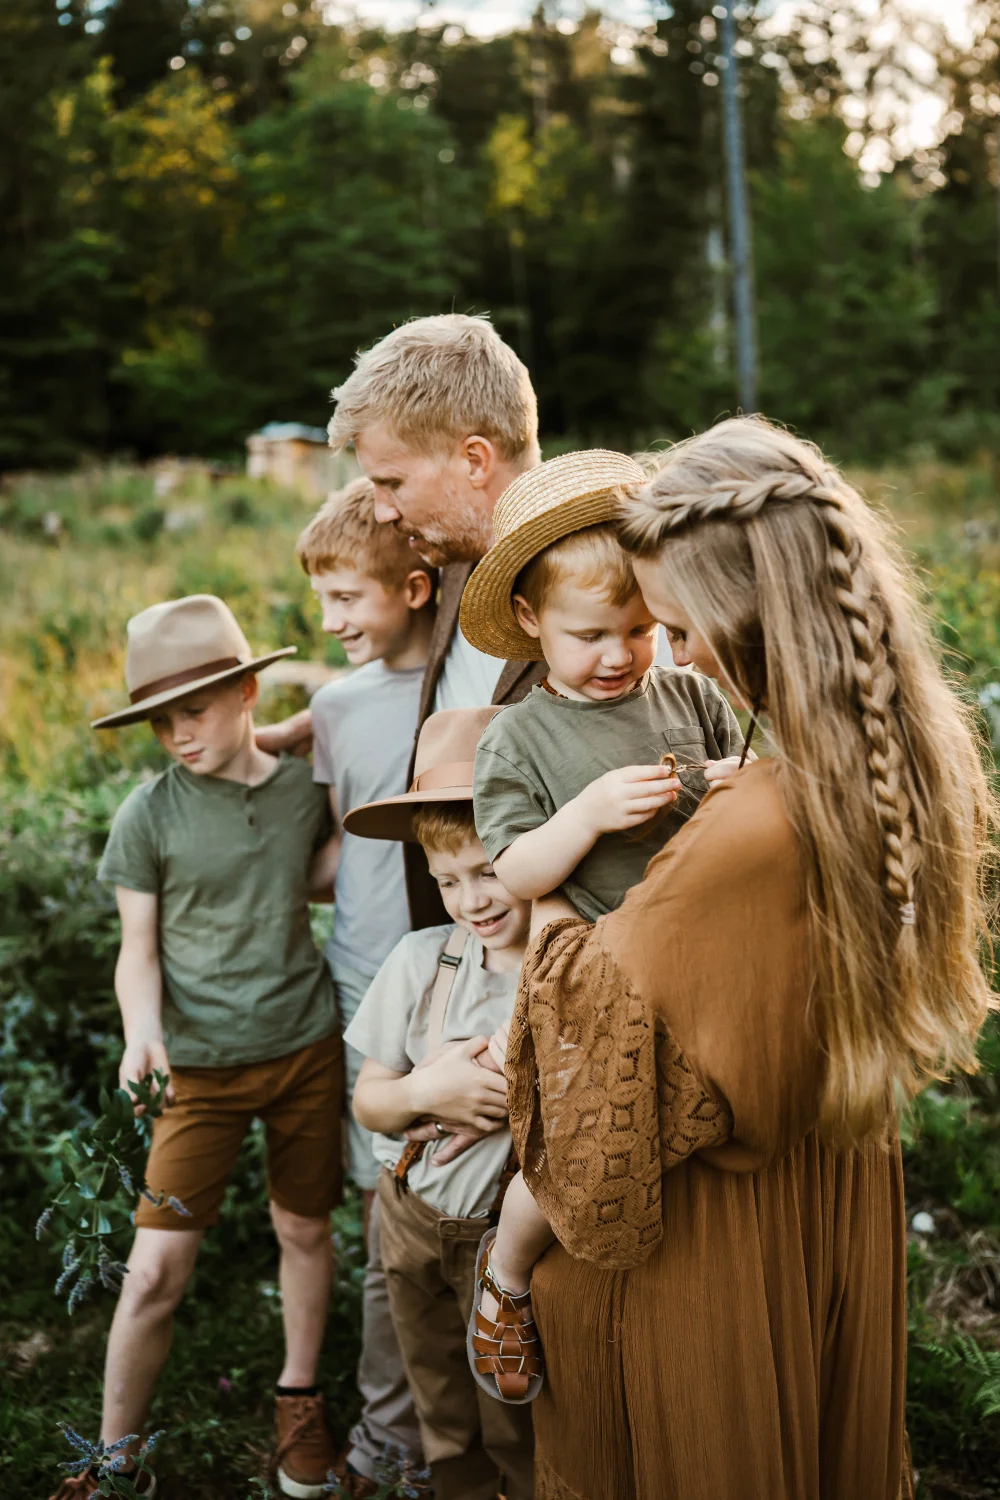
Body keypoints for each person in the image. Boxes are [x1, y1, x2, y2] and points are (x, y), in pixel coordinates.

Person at [498, 416, 996, 1499]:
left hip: (707, 1260)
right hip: (826, 1204)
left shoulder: (751, 828)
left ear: (747, 617)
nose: (672, 659)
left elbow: (590, 1048)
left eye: (678, 629)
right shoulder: (897, 758)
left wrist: (544, 930)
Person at [454, 448, 745, 1401]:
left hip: (698, 952)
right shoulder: (520, 738)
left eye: (639, 629)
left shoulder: (688, 695)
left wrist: (735, 792)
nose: (619, 655)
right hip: (594, 975)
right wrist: (584, 816)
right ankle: (505, 1274)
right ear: (531, 624)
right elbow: (515, 866)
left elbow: (728, 798)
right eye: (591, 635)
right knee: (580, 1136)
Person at [53, 595, 344, 1500]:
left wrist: (304, 725)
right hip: (200, 1072)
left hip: (305, 1049)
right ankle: (114, 1458)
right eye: (160, 722)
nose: (177, 736)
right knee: (151, 1275)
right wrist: (143, 1032)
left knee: (302, 1228)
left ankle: (298, 1399)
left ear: (247, 689)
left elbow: (344, 856)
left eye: (195, 711)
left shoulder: (307, 790)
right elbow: (135, 953)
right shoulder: (149, 815)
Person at [258, 313, 548, 929]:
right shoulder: (449, 559)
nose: (382, 511)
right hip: (456, 948)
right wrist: (304, 725)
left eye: (391, 482)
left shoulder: (598, 602)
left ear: (475, 460)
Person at [340, 708, 536, 1500]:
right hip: (412, 1216)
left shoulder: (563, 966)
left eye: (488, 870)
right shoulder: (422, 960)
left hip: (506, 1235)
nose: (470, 900)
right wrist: (429, 1089)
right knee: (440, 1399)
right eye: (447, 880)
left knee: (515, 1408)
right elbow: (370, 1104)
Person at [295, 478, 436, 1495]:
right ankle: (392, 1430)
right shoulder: (333, 705)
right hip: (360, 980)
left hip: (449, 980)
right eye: (324, 602)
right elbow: (337, 844)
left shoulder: (476, 689)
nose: (333, 621)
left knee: (455, 1201)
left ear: (417, 588)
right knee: (384, 1209)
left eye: (349, 598)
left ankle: (455, 1423)